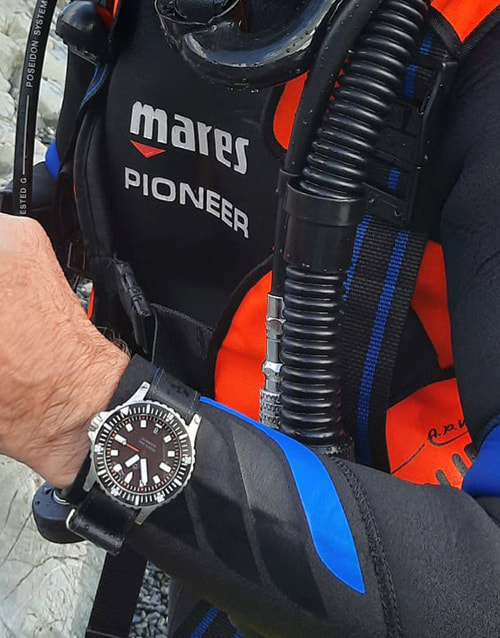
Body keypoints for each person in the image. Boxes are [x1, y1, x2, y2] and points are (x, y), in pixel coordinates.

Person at [2, 0, 500, 636]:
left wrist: (77, 407)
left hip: (380, 564)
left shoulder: (480, 56)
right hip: (192, 519)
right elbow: (74, 180)